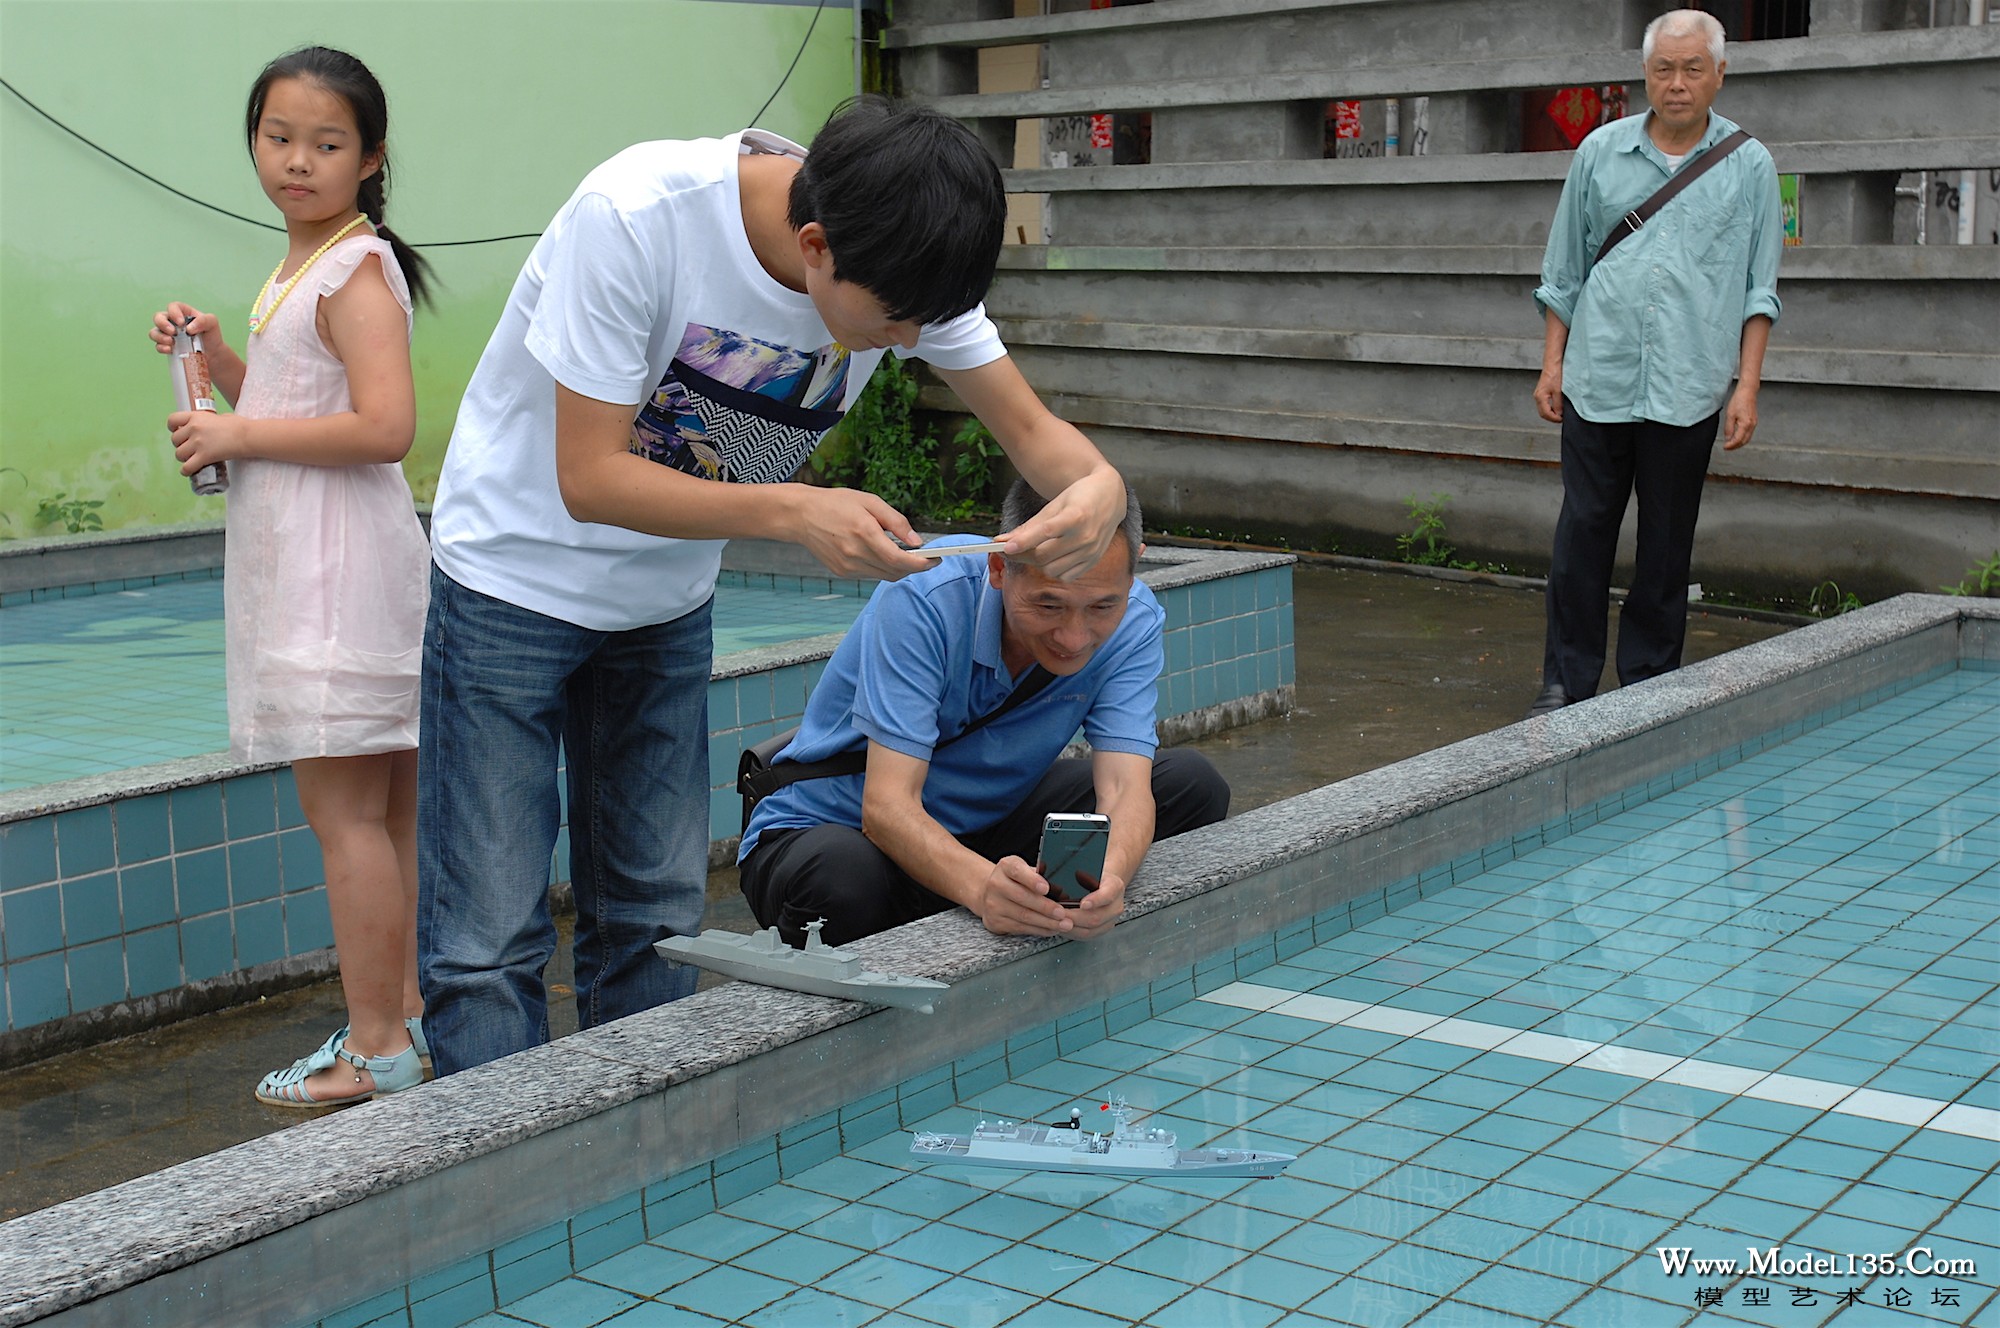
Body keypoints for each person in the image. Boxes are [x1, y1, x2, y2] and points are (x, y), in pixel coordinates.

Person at [419, 98, 1131, 1076]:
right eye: (897, 325)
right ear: (811, 246)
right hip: (511, 577)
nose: (914, 339)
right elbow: (586, 476)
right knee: (487, 936)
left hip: (661, 605)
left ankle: (635, 1168)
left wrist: (1097, 488)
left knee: (655, 912)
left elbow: (1036, 435)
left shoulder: (901, 259)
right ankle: (491, 1198)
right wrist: (796, 510)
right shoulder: (636, 219)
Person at [149, 47, 433, 1105]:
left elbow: (385, 424)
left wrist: (240, 428)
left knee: (349, 817)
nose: (297, 160)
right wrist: (224, 360)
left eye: (326, 143)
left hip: (332, 575)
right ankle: (402, 1016)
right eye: (279, 137)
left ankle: (373, 1048)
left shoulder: (356, 268)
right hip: (350, 566)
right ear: (254, 140)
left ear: (369, 159)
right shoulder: (310, 265)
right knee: (386, 814)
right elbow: (308, 396)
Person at [738, 479, 1230, 947]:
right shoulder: (923, 597)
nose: (1075, 637)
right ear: (998, 566)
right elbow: (885, 809)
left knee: (1189, 785)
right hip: (835, 831)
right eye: (1049, 605)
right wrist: (982, 889)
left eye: (1102, 606)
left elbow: (1125, 789)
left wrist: (1106, 881)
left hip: (981, 824)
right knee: (843, 878)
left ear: (1134, 569)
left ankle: (1025, 917)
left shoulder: (1136, 620)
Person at [1527, 8, 1781, 717]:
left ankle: (1649, 683)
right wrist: (1553, 364)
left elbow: (1761, 290)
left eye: (1692, 69)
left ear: (1719, 74)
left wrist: (1747, 386)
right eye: (1664, 69)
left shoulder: (1750, 164)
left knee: (1667, 546)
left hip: (1689, 383)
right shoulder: (1599, 153)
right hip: (1598, 377)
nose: (1677, 83)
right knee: (1581, 536)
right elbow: (1563, 269)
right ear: (1646, 74)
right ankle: (1566, 681)